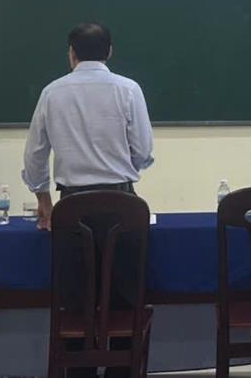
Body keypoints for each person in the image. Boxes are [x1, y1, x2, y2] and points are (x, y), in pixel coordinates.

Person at [22, 22, 155, 378]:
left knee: (76, 302)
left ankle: (79, 371)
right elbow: (143, 152)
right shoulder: (128, 89)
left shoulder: (52, 92)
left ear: (71, 53)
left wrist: (44, 200)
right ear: (109, 51)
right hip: (122, 206)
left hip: (72, 208)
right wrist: (122, 167)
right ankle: (122, 371)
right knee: (125, 299)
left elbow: (35, 155)